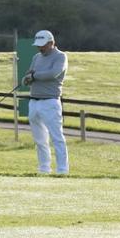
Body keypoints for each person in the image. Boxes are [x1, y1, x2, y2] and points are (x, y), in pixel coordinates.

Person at [22, 30, 69, 175]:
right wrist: (27, 79)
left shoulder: (61, 57)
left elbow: (53, 73)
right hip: (34, 102)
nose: (40, 48)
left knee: (57, 138)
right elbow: (28, 75)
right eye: (38, 45)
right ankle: (44, 169)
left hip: (50, 102)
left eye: (42, 45)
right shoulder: (37, 57)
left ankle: (62, 170)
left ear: (51, 43)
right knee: (40, 139)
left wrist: (34, 76)